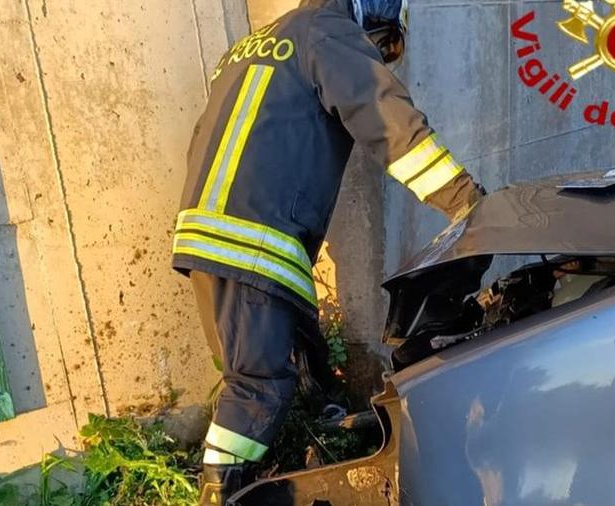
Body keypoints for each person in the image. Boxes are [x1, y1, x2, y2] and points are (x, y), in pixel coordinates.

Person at [172, 0, 485, 502]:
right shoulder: (328, 32)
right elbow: (388, 123)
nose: (377, 53)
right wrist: (469, 202)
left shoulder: (253, 46)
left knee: (306, 361)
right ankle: (216, 495)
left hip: (209, 234)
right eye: (379, 43)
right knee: (258, 384)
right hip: (254, 239)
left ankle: (324, 427)